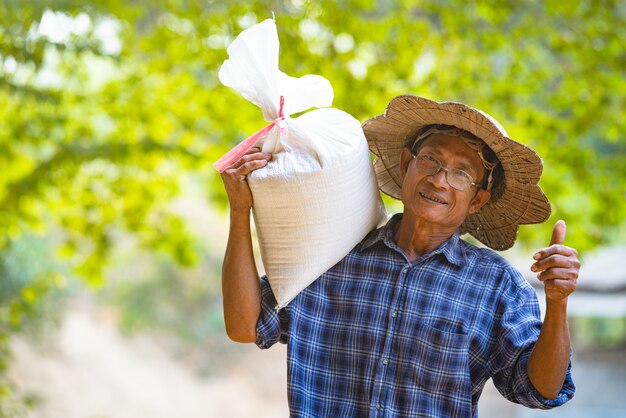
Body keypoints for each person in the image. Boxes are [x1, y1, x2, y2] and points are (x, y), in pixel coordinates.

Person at [219, 95, 580, 417]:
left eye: (460, 174)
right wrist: (240, 210)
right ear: (407, 164)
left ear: (478, 199)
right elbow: (244, 326)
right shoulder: (334, 254)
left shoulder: (496, 285)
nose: (439, 180)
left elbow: (540, 390)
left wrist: (558, 302)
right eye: (431, 161)